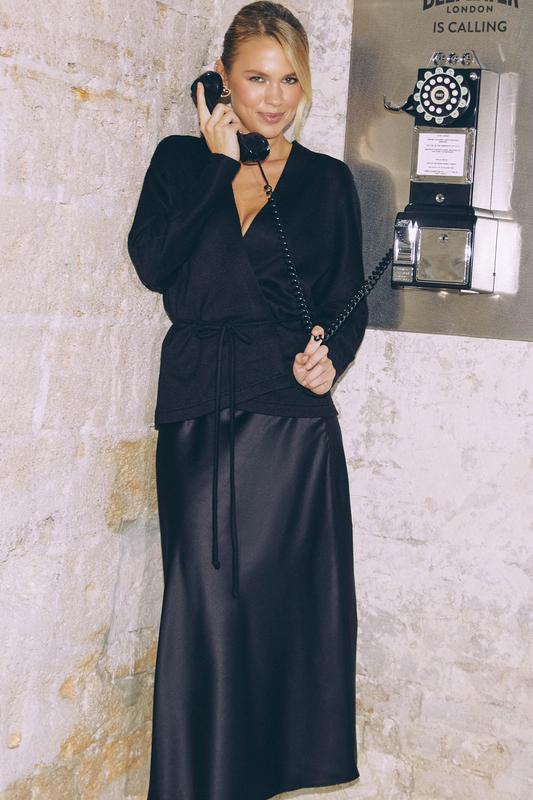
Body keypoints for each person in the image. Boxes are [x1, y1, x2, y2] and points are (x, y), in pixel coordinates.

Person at [127, 3, 368, 798]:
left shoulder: (327, 181)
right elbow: (155, 265)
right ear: (221, 80)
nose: (274, 97)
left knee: (276, 622)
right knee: (205, 613)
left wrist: (329, 360)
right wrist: (216, 162)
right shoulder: (178, 162)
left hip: (290, 425)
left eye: (289, 80)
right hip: (197, 405)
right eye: (256, 78)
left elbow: (345, 300)